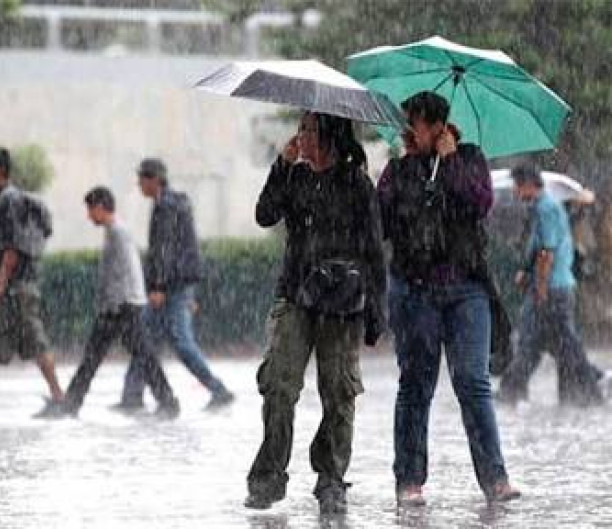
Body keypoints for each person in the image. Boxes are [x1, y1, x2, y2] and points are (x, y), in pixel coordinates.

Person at [379, 91, 520, 506]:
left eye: (415, 123)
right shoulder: (399, 169)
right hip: (415, 290)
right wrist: (404, 168)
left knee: (473, 382)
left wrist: (451, 161)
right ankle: (409, 480)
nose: (408, 129)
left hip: (467, 290)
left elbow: (480, 203)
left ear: (438, 127)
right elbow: (379, 223)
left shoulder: (470, 159)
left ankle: (495, 478)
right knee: (415, 385)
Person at [244, 113, 385, 514]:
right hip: (296, 296)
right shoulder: (295, 176)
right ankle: (269, 477)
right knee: (278, 383)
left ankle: (331, 477)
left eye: (308, 129)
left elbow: (373, 249)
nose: (300, 136)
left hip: (342, 304)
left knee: (339, 392)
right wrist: (281, 166)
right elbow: (265, 214)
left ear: (329, 135)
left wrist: (376, 310)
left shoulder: (357, 184)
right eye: (301, 128)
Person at [35, 187, 180, 419]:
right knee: (115, 356)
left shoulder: (117, 233)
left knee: (116, 357)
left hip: (121, 307)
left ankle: (167, 401)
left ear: (101, 207)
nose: (89, 216)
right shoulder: (115, 231)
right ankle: (73, 402)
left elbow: (123, 273)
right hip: (120, 305)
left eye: (90, 210)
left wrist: (115, 305)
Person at [114, 158, 234, 412]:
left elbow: (165, 249)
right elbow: (180, 248)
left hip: (171, 287)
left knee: (180, 343)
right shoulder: (170, 203)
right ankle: (131, 396)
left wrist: (158, 286)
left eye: (142, 179)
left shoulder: (166, 206)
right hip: (176, 284)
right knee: (144, 339)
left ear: (154, 179)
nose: (139, 184)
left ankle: (218, 390)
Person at [0, 147, 64, 414]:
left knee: (35, 343)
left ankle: (59, 398)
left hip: (16, 288)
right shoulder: (5, 199)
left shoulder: (8, 200)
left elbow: (12, 248)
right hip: (16, 288)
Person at [497, 164, 604, 406]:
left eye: (517, 186)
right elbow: (539, 249)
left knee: (557, 342)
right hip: (552, 286)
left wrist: (541, 288)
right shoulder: (542, 208)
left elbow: (547, 252)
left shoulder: (546, 208)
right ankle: (516, 390)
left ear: (528, 185)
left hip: (552, 288)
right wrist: (526, 271)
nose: (515, 191)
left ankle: (589, 386)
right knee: (540, 342)